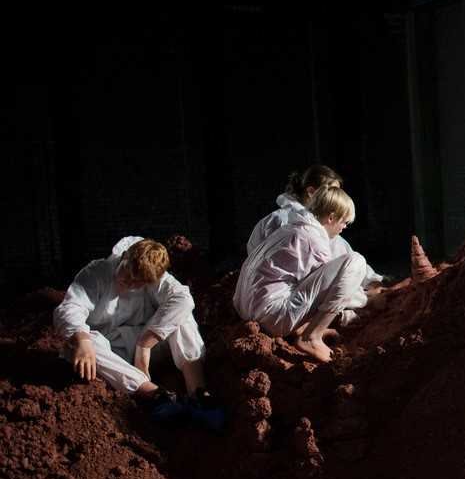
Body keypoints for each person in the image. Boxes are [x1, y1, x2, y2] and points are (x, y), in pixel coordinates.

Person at [54, 237, 218, 421]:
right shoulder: (97, 272)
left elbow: (183, 298)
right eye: (127, 272)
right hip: (113, 351)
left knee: (181, 314)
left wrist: (145, 344)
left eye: (137, 282)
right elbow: (70, 308)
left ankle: (198, 393)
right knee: (75, 345)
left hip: (149, 345)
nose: (128, 282)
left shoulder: (155, 277)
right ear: (124, 256)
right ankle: (156, 395)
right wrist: (82, 341)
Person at [234, 186, 369, 363]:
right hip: (271, 316)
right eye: (344, 222)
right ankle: (312, 337)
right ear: (331, 217)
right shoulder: (313, 240)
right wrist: (366, 299)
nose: (344, 227)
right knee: (355, 262)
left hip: (245, 309)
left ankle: (301, 329)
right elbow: (328, 291)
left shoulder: (292, 228)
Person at [247, 164, 385, 290]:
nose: (337, 198)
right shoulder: (284, 222)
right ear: (312, 192)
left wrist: (372, 281)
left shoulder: (315, 225)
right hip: (278, 293)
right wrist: (364, 294)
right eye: (331, 192)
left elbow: (342, 252)